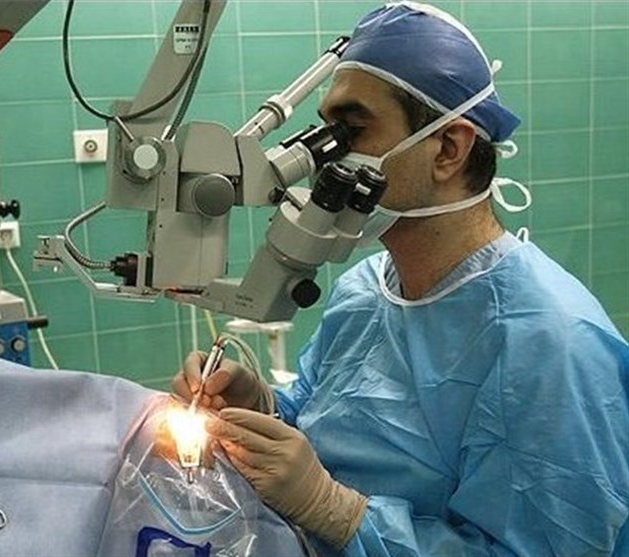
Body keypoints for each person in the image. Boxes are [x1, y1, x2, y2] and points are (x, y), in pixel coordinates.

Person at [172, 2, 629, 556]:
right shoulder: (367, 289)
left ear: (449, 149)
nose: (325, 156)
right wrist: (261, 408)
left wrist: (336, 512)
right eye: (326, 128)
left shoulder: (553, 343)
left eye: (352, 128)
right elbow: (325, 419)